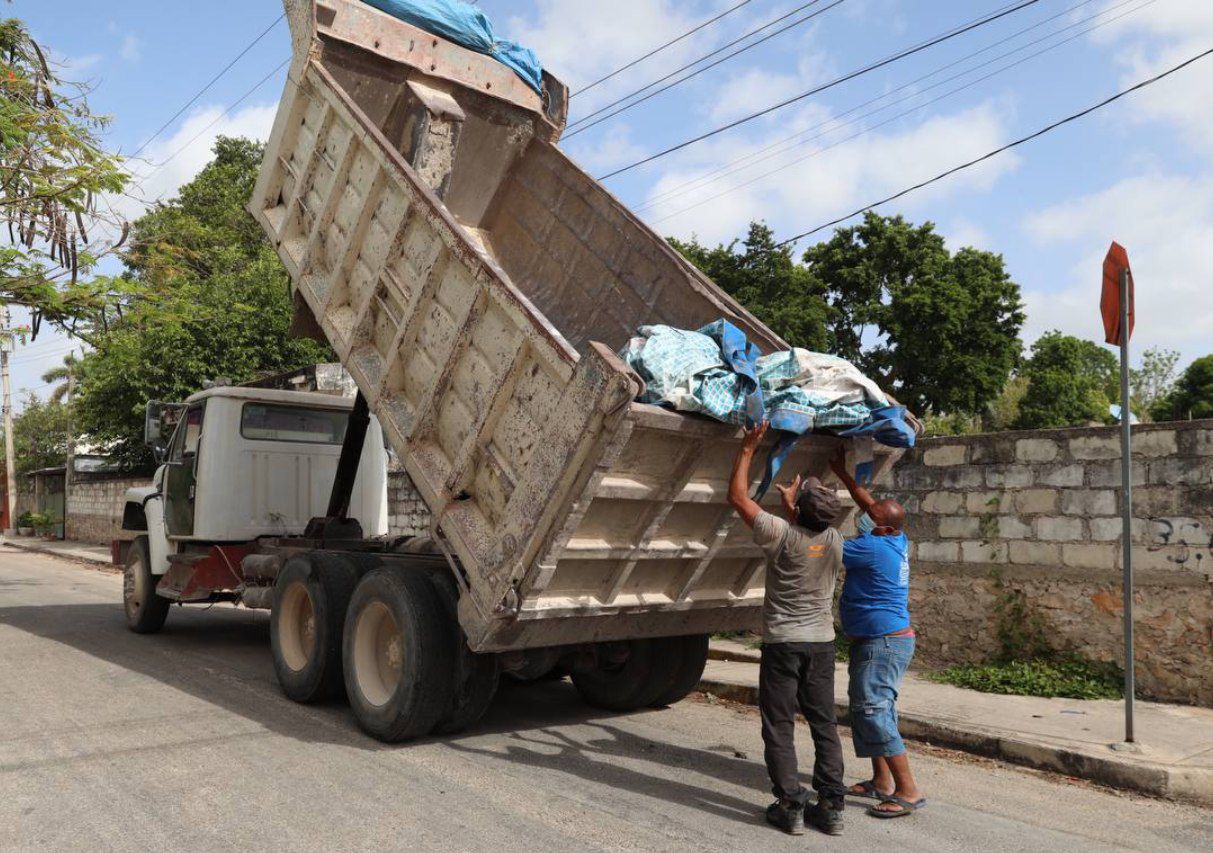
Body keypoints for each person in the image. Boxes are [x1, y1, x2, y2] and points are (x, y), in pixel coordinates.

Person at [728, 421, 848, 836]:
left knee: (779, 722)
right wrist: (796, 505)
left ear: (798, 511)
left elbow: (738, 498)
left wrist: (748, 448)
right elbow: (808, 530)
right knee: (823, 723)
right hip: (822, 645)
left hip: (783, 644)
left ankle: (789, 804)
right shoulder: (833, 540)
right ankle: (831, 806)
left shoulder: (781, 535)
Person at [829, 447, 926, 819]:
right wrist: (842, 474)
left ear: (881, 527)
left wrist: (794, 511)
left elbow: (821, 546)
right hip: (883, 641)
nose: (863, 520)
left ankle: (909, 790)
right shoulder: (896, 539)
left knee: (873, 709)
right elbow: (873, 506)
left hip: (883, 644)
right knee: (869, 709)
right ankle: (881, 781)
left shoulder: (868, 549)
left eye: (869, 518)